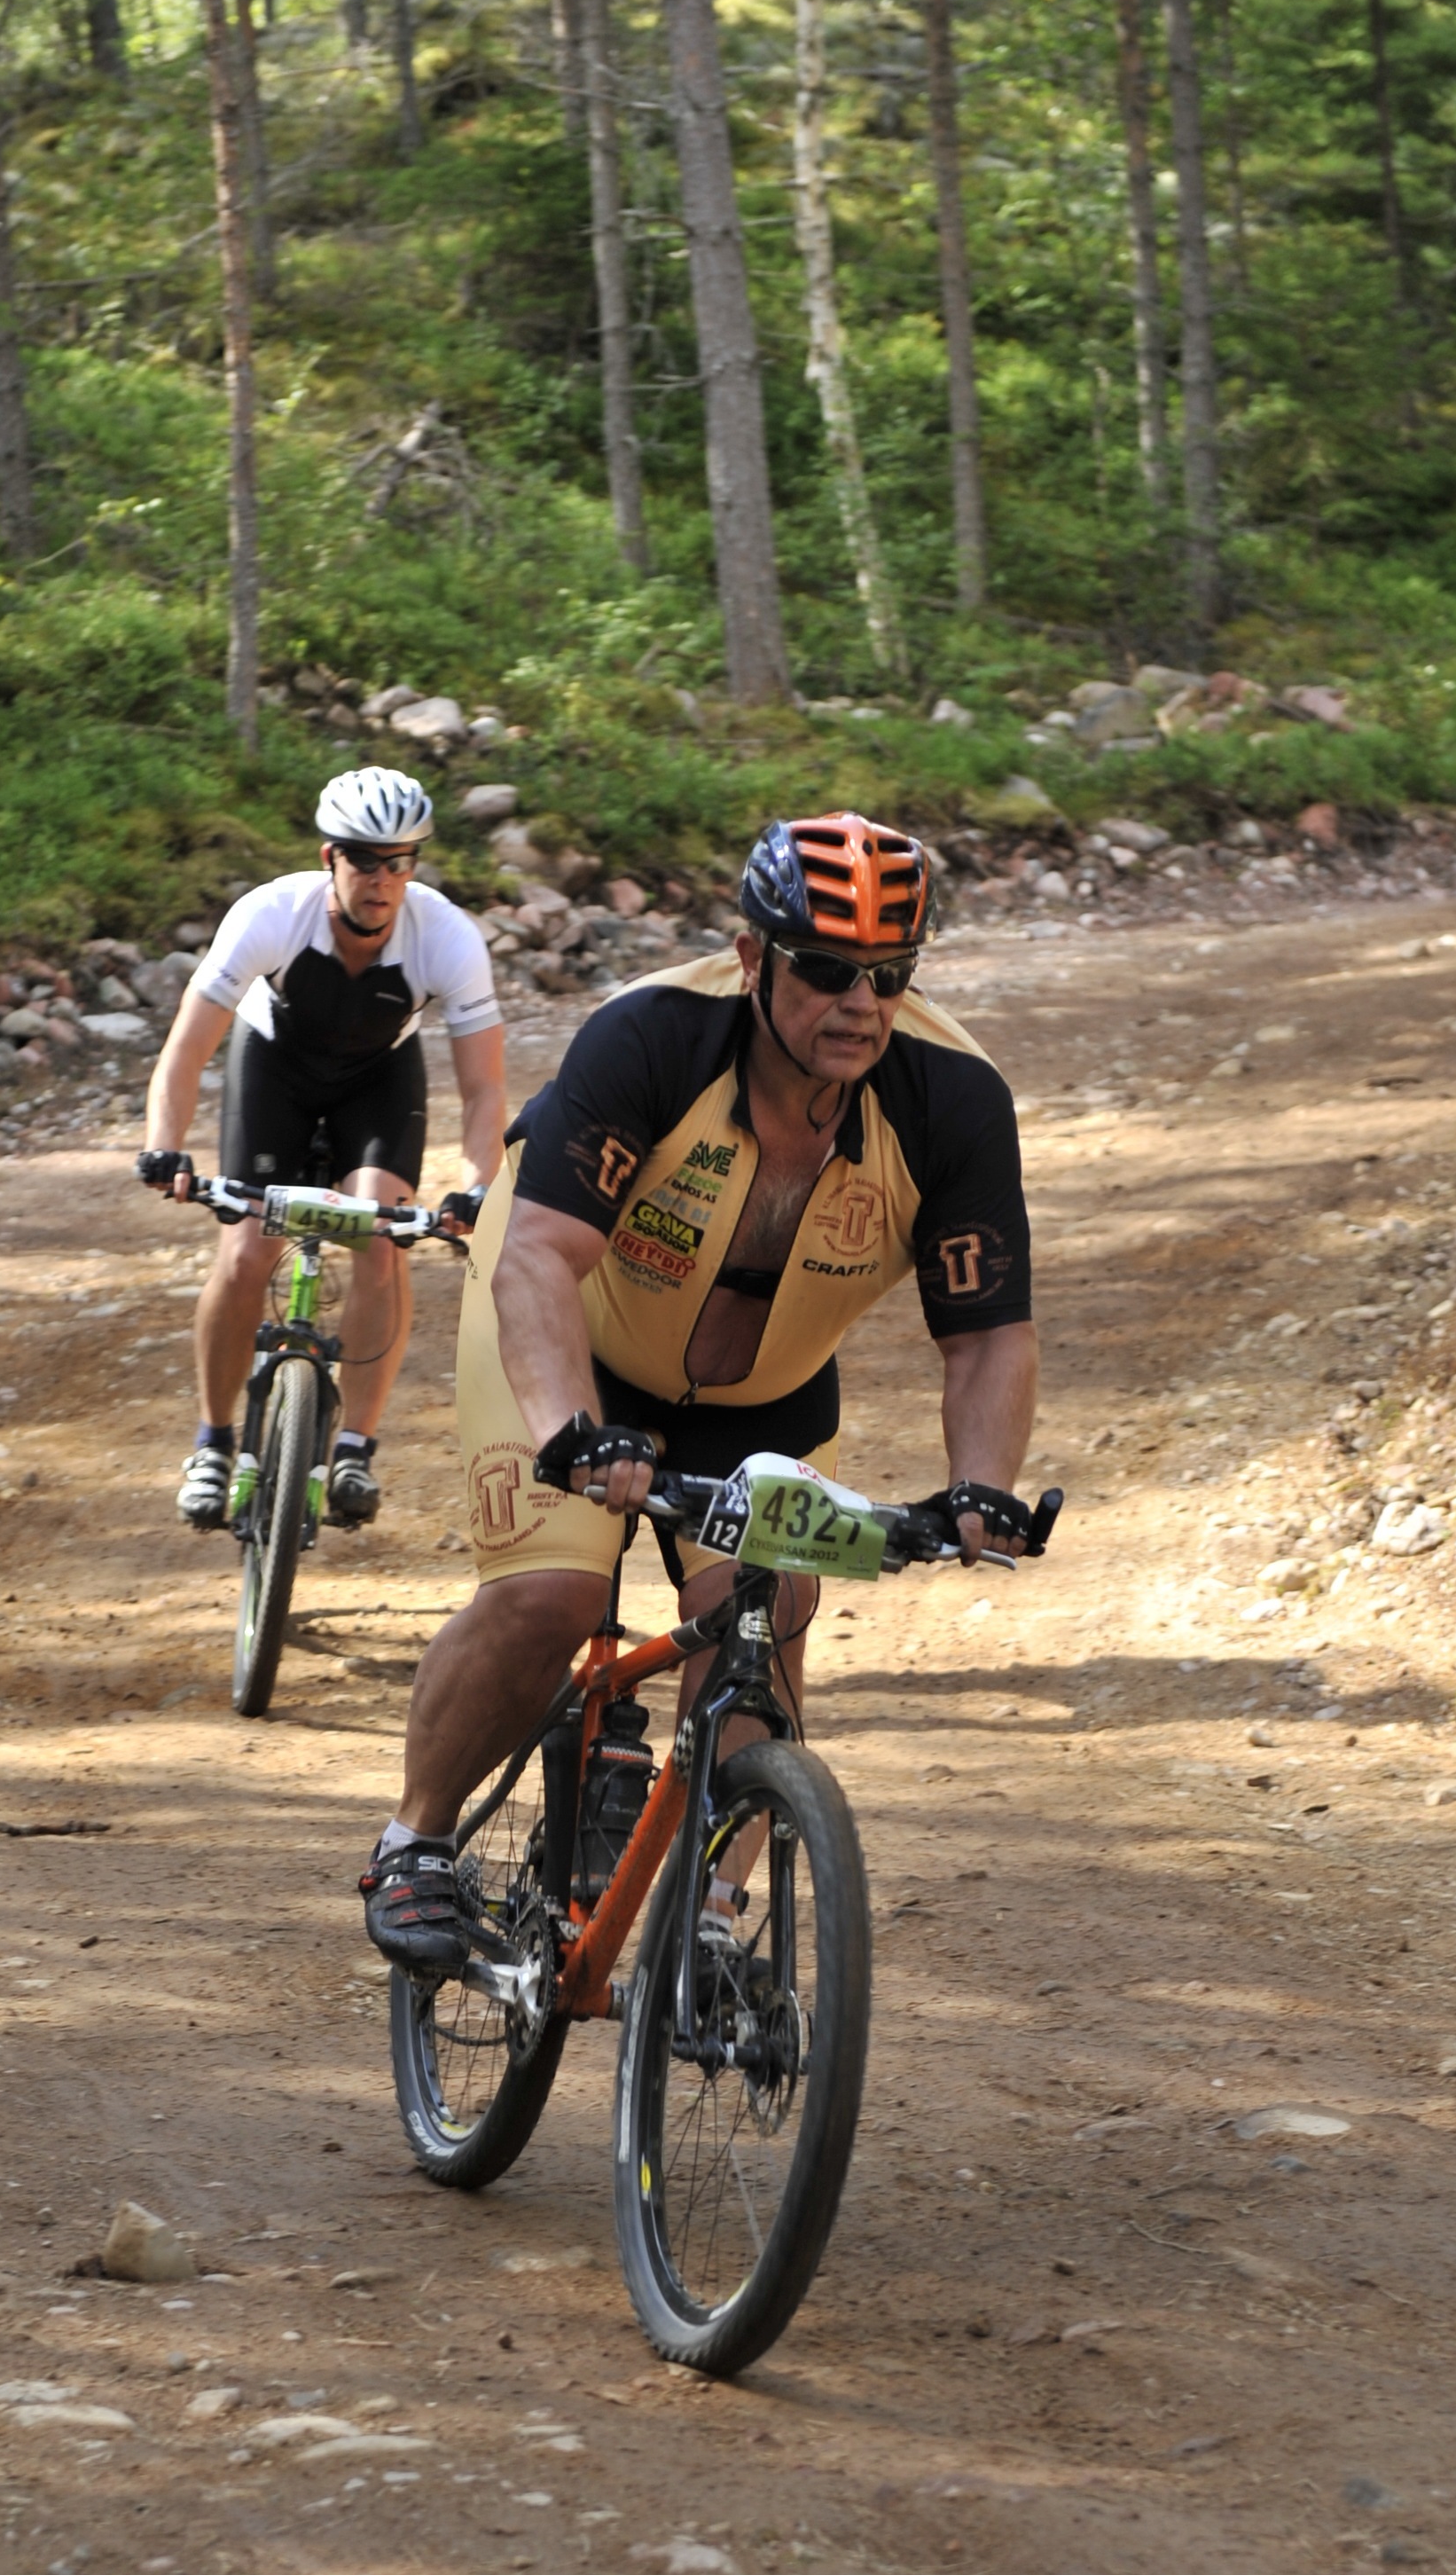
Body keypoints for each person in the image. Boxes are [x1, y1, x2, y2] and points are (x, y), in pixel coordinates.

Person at [360, 808, 1041, 1977]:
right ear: (751, 956)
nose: (861, 1004)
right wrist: (570, 1432)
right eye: (825, 969)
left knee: (764, 1622)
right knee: (554, 1594)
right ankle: (414, 1843)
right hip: (571, 1332)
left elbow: (987, 1336)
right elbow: (538, 1258)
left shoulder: (953, 1099)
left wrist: (981, 1488)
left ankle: (710, 1917)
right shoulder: (655, 1038)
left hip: (765, 1391)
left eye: (890, 975)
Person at [145, 766, 509, 1529]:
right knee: (245, 1252)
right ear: (329, 858)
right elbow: (185, 1050)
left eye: (400, 862)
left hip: (378, 1079)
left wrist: (478, 1187)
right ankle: (213, 1443)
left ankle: (353, 1448)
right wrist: (165, 1149)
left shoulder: (447, 938)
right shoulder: (271, 914)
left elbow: (483, 1090)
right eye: (365, 860)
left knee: (382, 1237)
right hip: (274, 1067)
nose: (383, 880)